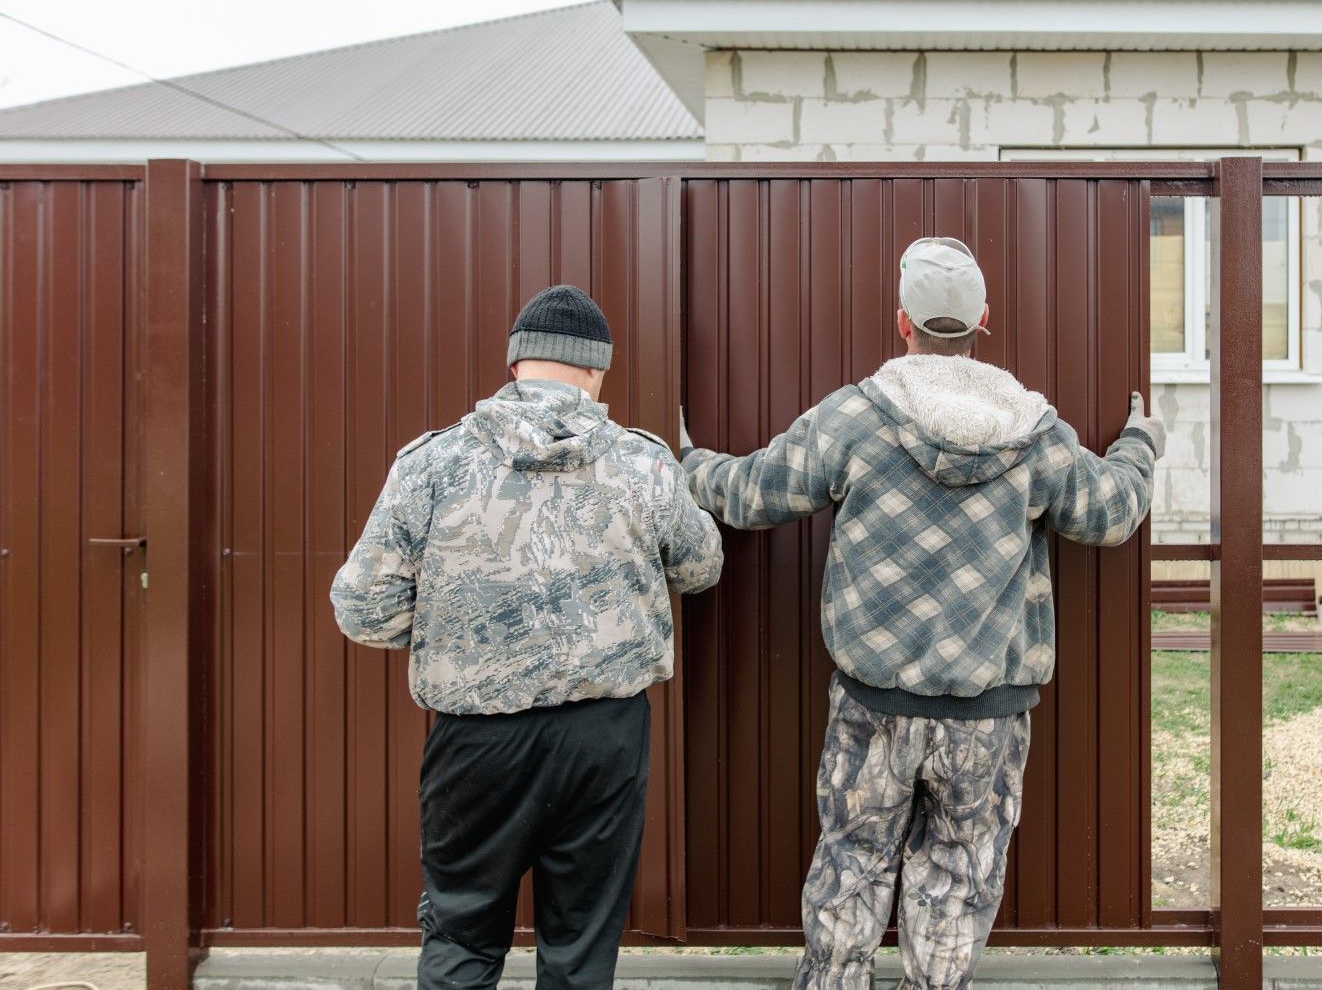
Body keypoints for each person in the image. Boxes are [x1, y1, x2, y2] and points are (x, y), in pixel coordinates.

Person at [680, 238, 1164, 990]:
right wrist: (1139, 443)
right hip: (987, 718)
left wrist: (684, 459)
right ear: (984, 322)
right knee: (960, 876)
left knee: (851, 862)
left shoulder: (855, 417)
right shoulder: (1033, 430)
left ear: (901, 321)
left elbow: (749, 493)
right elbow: (1112, 512)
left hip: (873, 708)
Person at [332, 284, 723, 990]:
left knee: (461, 935)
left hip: (475, 739)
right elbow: (700, 567)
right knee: (579, 948)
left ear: (515, 365)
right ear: (599, 372)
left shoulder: (432, 463)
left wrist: (454, 637)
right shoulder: (645, 463)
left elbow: (363, 609)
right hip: (604, 737)